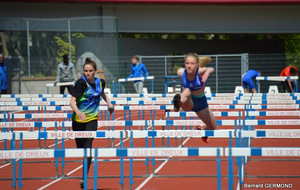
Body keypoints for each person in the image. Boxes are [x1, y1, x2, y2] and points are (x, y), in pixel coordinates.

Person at [70, 58, 114, 188]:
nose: (87, 73)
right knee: (81, 150)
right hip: (78, 121)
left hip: (92, 119)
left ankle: (84, 177)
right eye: (85, 71)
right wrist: (79, 113)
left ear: (95, 71)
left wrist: (109, 104)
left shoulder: (100, 82)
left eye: (90, 71)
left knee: (88, 146)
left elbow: (102, 94)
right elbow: (72, 102)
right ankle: (85, 170)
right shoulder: (81, 84)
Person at [173, 53, 218, 143]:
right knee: (187, 91)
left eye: (192, 64)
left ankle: (203, 130)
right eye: (187, 63)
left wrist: (206, 71)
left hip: (201, 102)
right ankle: (178, 102)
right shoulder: (181, 72)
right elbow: (180, 70)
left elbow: (211, 69)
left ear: (197, 65)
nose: (189, 66)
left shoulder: (201, 73)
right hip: (188, 101)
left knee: (215, 129)